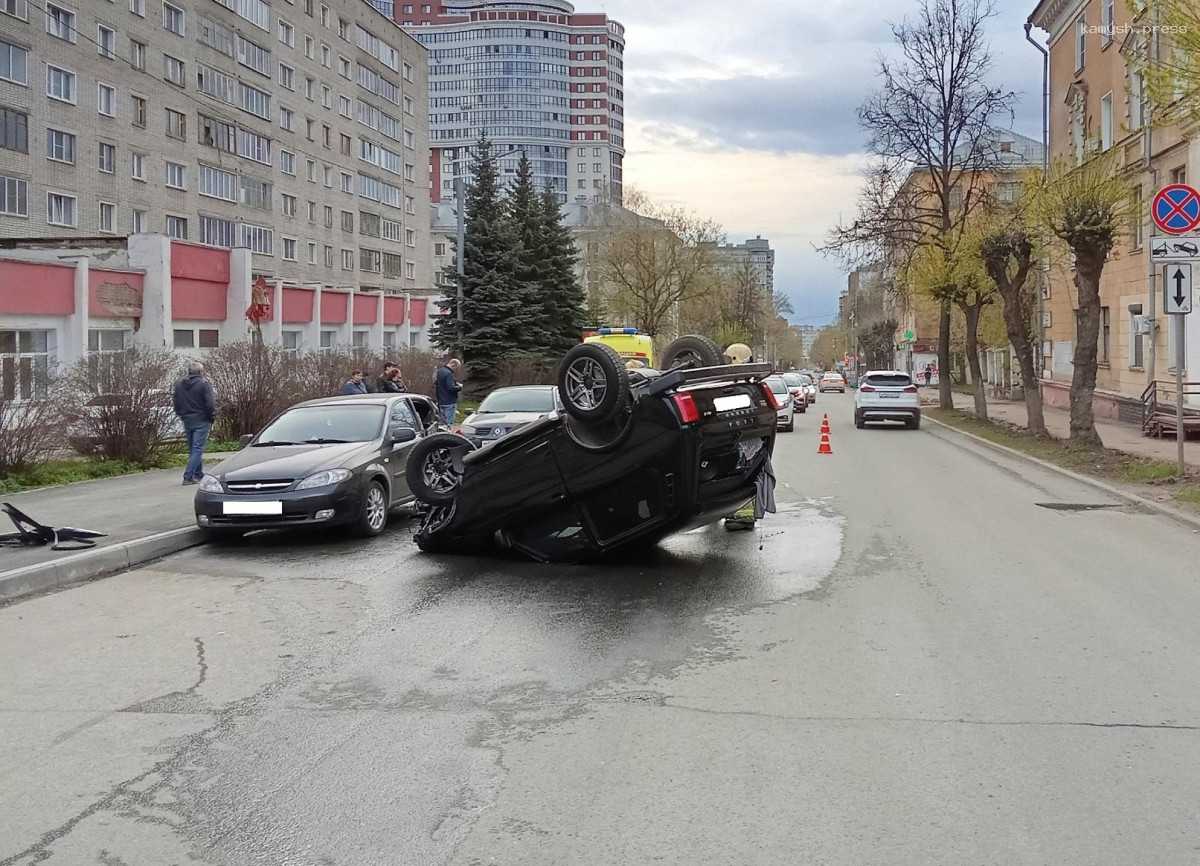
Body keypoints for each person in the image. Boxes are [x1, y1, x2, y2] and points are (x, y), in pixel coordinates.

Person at [173, 361, 216, 486]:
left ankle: (198, 474)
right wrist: (211, 417)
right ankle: (188, 476)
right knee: (197, 448)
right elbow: (210, 403)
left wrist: (181, 414)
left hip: (187, 419)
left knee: (193, 448)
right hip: (202, 419)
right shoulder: (204, 384)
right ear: (201, 372)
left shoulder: (179, 384)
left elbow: (176, 401)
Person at [435, 357, 463, 425]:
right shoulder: (449, 373)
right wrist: (460, 387)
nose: (455, 370)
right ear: (453, 365)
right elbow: (451, 388)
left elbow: (438, 383)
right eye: (456, 368)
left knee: (442, 423)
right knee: (449, 423)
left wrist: (454, 383)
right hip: (449, 402)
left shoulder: (440, 371)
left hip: (441, 401)